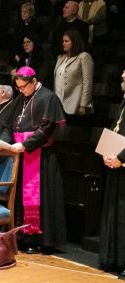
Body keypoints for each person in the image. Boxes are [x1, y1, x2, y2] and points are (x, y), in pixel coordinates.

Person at [0, 66, 67, 254]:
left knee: (39, 198)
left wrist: (26, 145)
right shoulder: (21, 98)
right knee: (20, 199)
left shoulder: (48, 97)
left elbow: (46, 129)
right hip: (20, 155)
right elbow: (8, 125)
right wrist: (3, 141)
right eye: (18, 87)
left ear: (34, 82)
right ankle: (23, 236)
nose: (21, 91)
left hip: (41, 157)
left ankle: (41, 239)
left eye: (23, 87)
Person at [99, 70, 125, 275]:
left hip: (122, 163)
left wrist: (121, 159)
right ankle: (114, 258)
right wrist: (107, 152)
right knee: (114, 213)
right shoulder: (123, 103)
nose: (122, 80)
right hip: (116, 166)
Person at [53, 30, 94, 120]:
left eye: (67, 41)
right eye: (63, 41)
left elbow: (87, 82)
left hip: (74, 104)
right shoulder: (60, 58)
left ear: (74, 42)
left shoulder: (84, 57)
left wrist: (83, 105)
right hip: (58, 104)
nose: (63, 43)